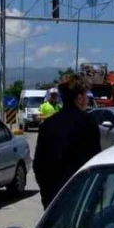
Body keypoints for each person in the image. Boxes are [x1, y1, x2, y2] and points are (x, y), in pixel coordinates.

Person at [32, 74, 102, 209]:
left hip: (54, 199)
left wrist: (47, 195)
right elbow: (94, 161)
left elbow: (38, 165)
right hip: (81, 198)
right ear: (80, 98)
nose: (87, 100)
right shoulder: (88, 123)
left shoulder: (48, 125)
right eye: (86, 96)